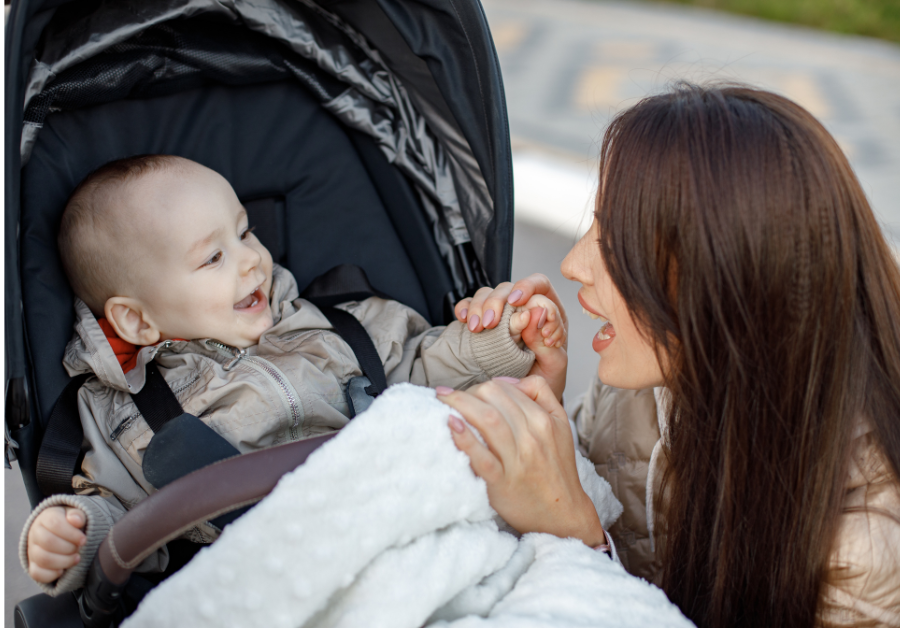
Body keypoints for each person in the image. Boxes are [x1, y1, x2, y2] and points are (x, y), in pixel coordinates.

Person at [437, 84, 900, 626]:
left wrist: (580, 546)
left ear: (722, 284)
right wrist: (545, 417)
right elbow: (577, 502)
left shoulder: (867, 554)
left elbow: (582, 531)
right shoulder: (646, 386)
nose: (571, 264)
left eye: (614, 243)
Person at [21, 154, 566, 595]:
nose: (251, 260)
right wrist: (75, 530)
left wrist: (503, 340)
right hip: (266, 581)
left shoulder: (336, 328)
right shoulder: (129, 414)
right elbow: (115, 510)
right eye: (213, 258)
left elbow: (421, 364)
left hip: (398, 523)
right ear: (136, 320)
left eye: (245, 232)